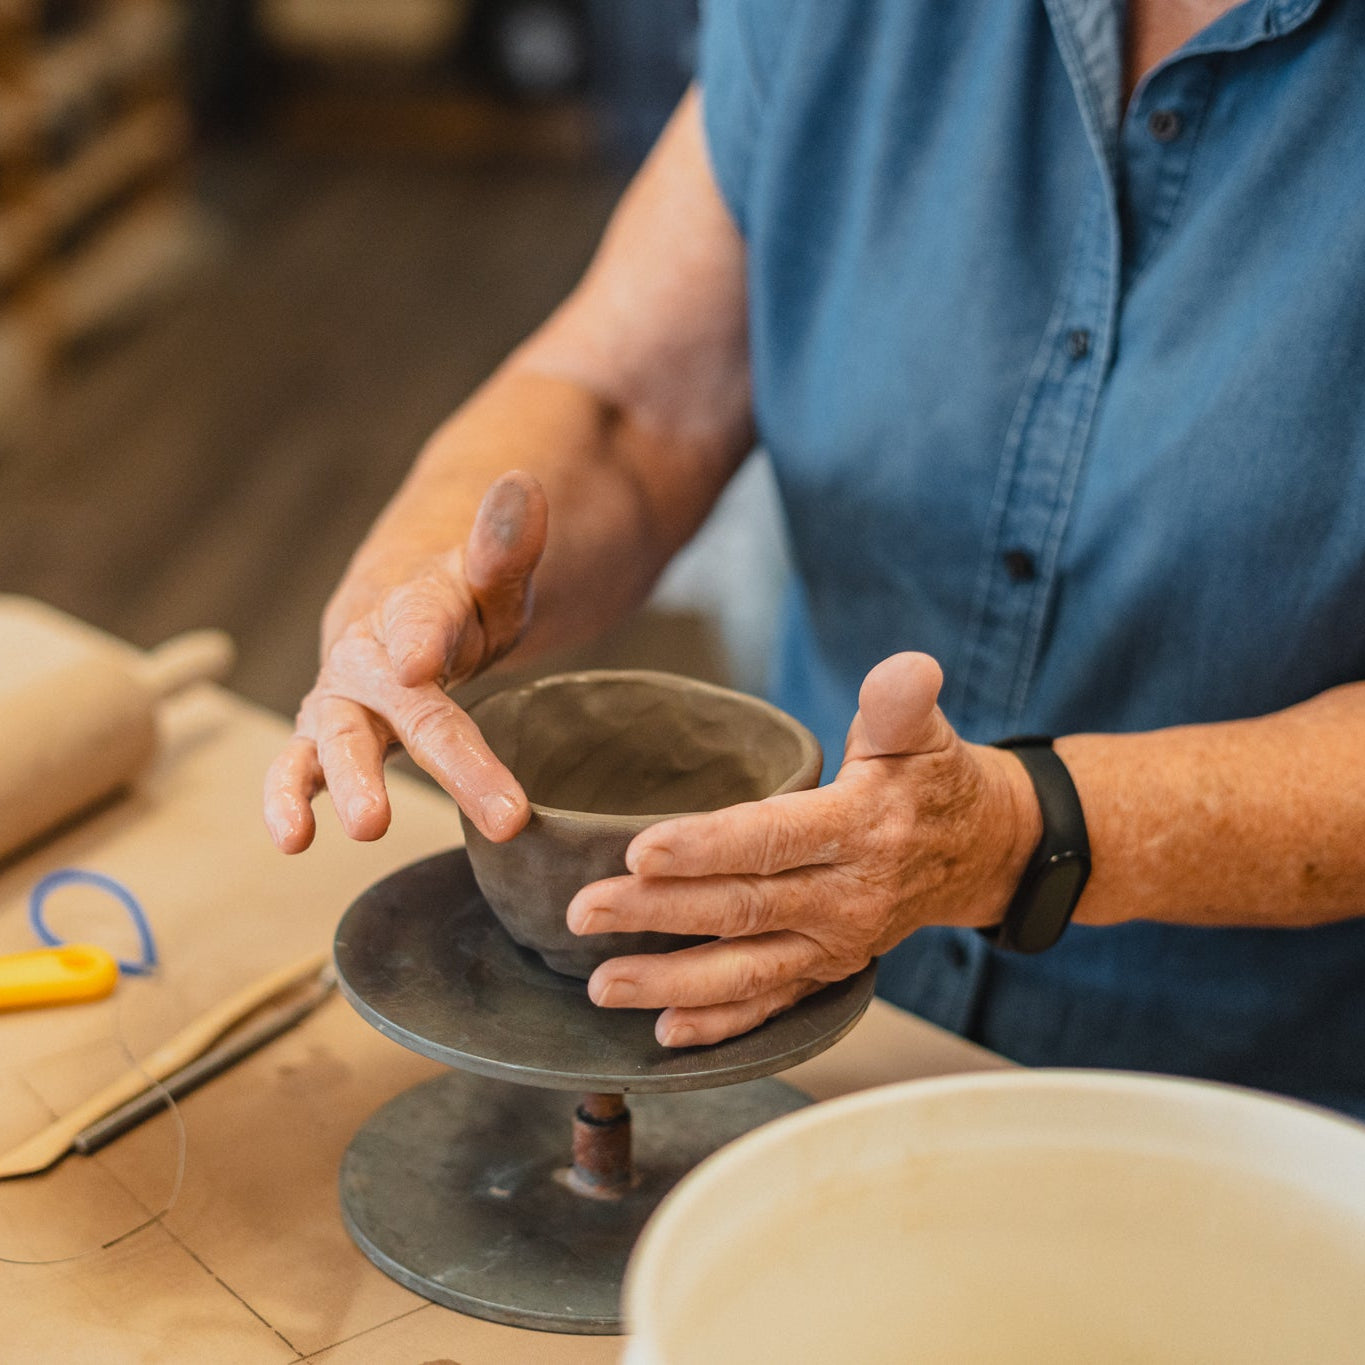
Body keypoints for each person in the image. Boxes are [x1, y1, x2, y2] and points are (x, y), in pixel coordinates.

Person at [264, 0, 1365, 1118]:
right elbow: (630, 404)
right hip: (805, 1017)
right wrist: (422, 586)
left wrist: (1022, 838)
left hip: (1259, 1092)